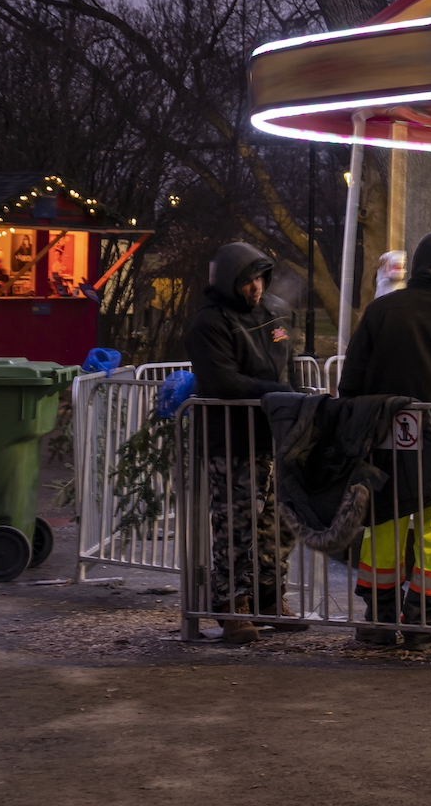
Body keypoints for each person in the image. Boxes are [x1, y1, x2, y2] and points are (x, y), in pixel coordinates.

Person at [337, 230, 431, 650]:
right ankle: (425, 623)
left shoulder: (382, 311)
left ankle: (377, 619)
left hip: (387, 446)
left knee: (382, 528)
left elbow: (350, 383)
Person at [184, 242, 304, 645]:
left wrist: (297, 405)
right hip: (232, 439)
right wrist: (280, 395)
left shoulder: (275, 312)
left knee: (277, 525)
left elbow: (288, 364)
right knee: (237, 526)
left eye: (259, 278)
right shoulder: (210, 323)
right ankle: (232, 604)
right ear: (228, 282)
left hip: (272, 435)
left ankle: (270, 601)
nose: (254, 287)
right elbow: (221, 381)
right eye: (246, 280)